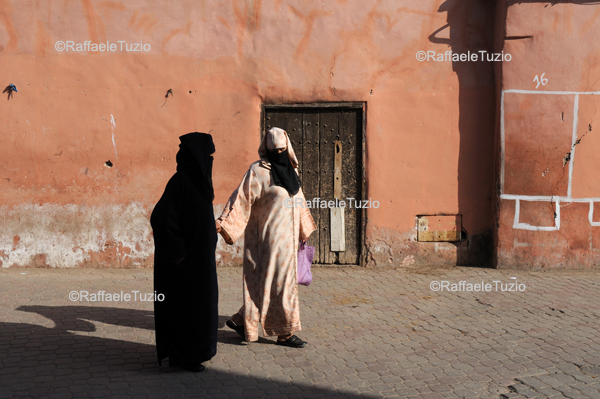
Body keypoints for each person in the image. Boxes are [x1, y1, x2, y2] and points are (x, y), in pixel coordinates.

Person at [216, 127, 317, 348]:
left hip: (288, 239)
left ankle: (244, 322)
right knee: (282, 284)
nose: (278, 153)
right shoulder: (257, 171)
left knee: (266, 283)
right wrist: (224, 223)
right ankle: (285, 333)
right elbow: (241, 199)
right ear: (267, 149)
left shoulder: (291, 171)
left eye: (282, 149)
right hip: (267, 240)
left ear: (287, 148)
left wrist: (303, 230)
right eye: (275, 150)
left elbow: (298, 200)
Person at [150, 132, 218, 372]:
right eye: (207, 156)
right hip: (186, 264)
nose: (210, 160)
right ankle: (182, 357)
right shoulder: (180, 181)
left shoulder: (200, 182)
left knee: (201, 309)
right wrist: (178, 252)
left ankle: (196, 352)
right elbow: (161, 217)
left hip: (201, 262)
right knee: (185, 310)